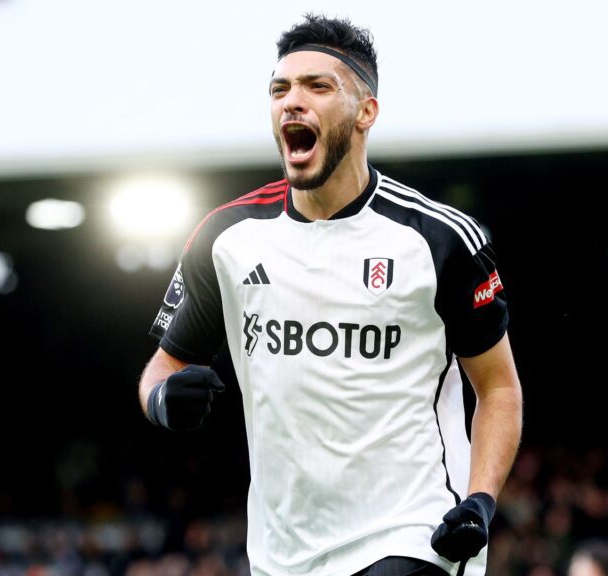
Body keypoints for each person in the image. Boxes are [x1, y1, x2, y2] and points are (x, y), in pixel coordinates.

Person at [139, 14, 523, 576]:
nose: (293, 101)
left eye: (317, 86)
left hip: (414, 532)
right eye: (280, 89)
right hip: (283, 550)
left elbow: (498, 388)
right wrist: (163, 401)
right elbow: (161, 367)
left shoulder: (437, 240)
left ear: (366, 111)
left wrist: (481, 500)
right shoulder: (227, 239)